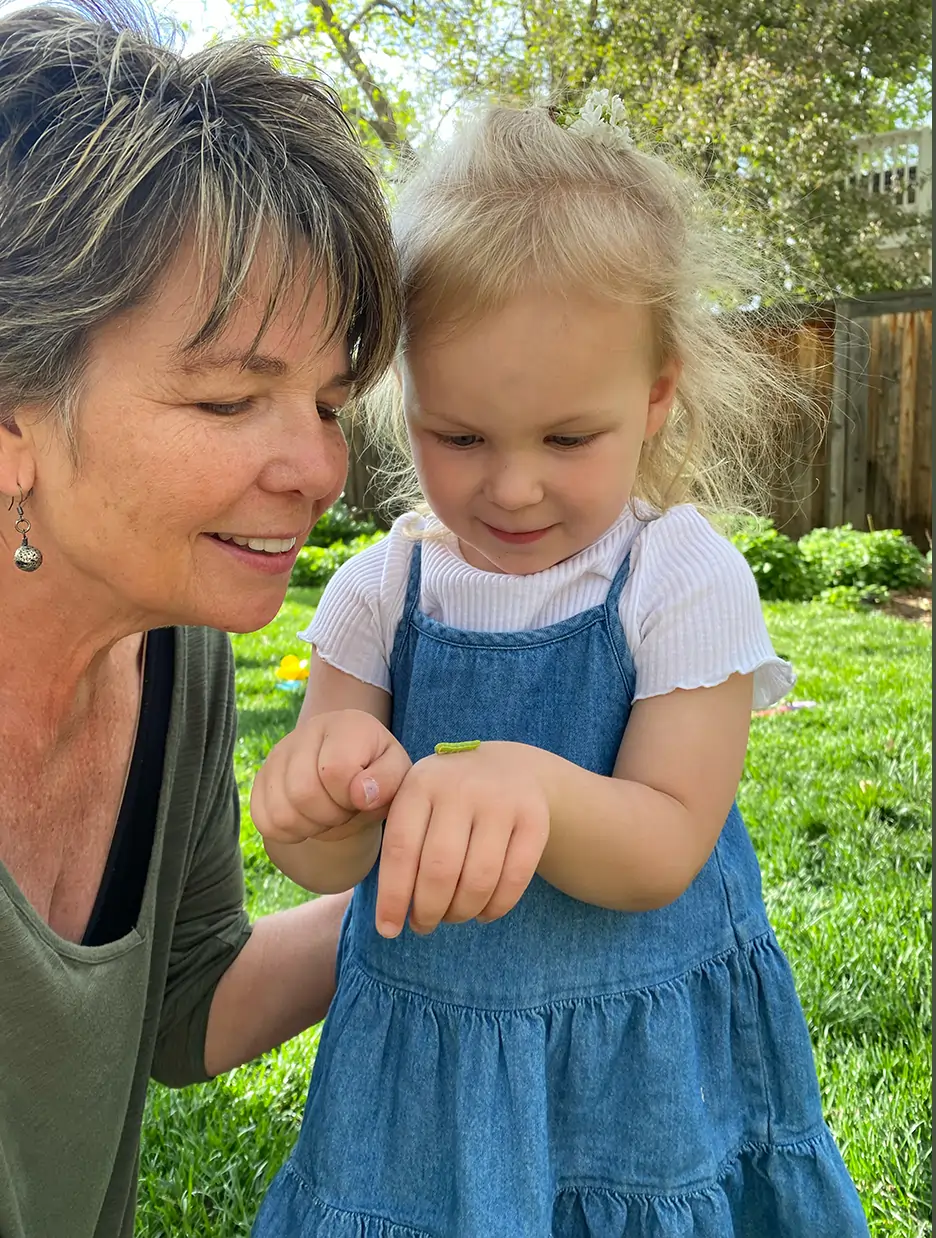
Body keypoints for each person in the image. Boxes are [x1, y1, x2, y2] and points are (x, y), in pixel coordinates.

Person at [249, 96, 871, 1235]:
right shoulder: (383, 593)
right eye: (461, 436)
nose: (514, 485)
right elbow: (333, 857)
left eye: (566, 439)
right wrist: (314, 789)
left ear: (655, 396)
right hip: (425, 1076)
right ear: (408, 403)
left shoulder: (678, 578)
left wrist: (525, 778)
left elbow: (664, 842)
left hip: (639, 1078)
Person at [0, 4, 401, 1237]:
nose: (319, 469)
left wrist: (434, 880)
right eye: (232, 399)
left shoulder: (179, 648)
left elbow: (185, 1000)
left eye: (327, 399)